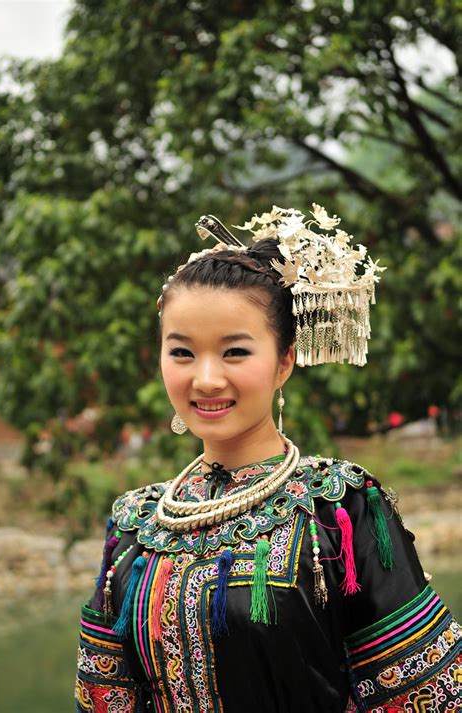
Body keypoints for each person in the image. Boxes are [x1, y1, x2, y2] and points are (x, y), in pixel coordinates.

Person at [75, 206, 461, 712]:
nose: (206, 379)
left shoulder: (338, 508)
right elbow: (104, 697)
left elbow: (426, 696)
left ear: (284, 361)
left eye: (235, 352)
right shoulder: (134, 523)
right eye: (182, 353)